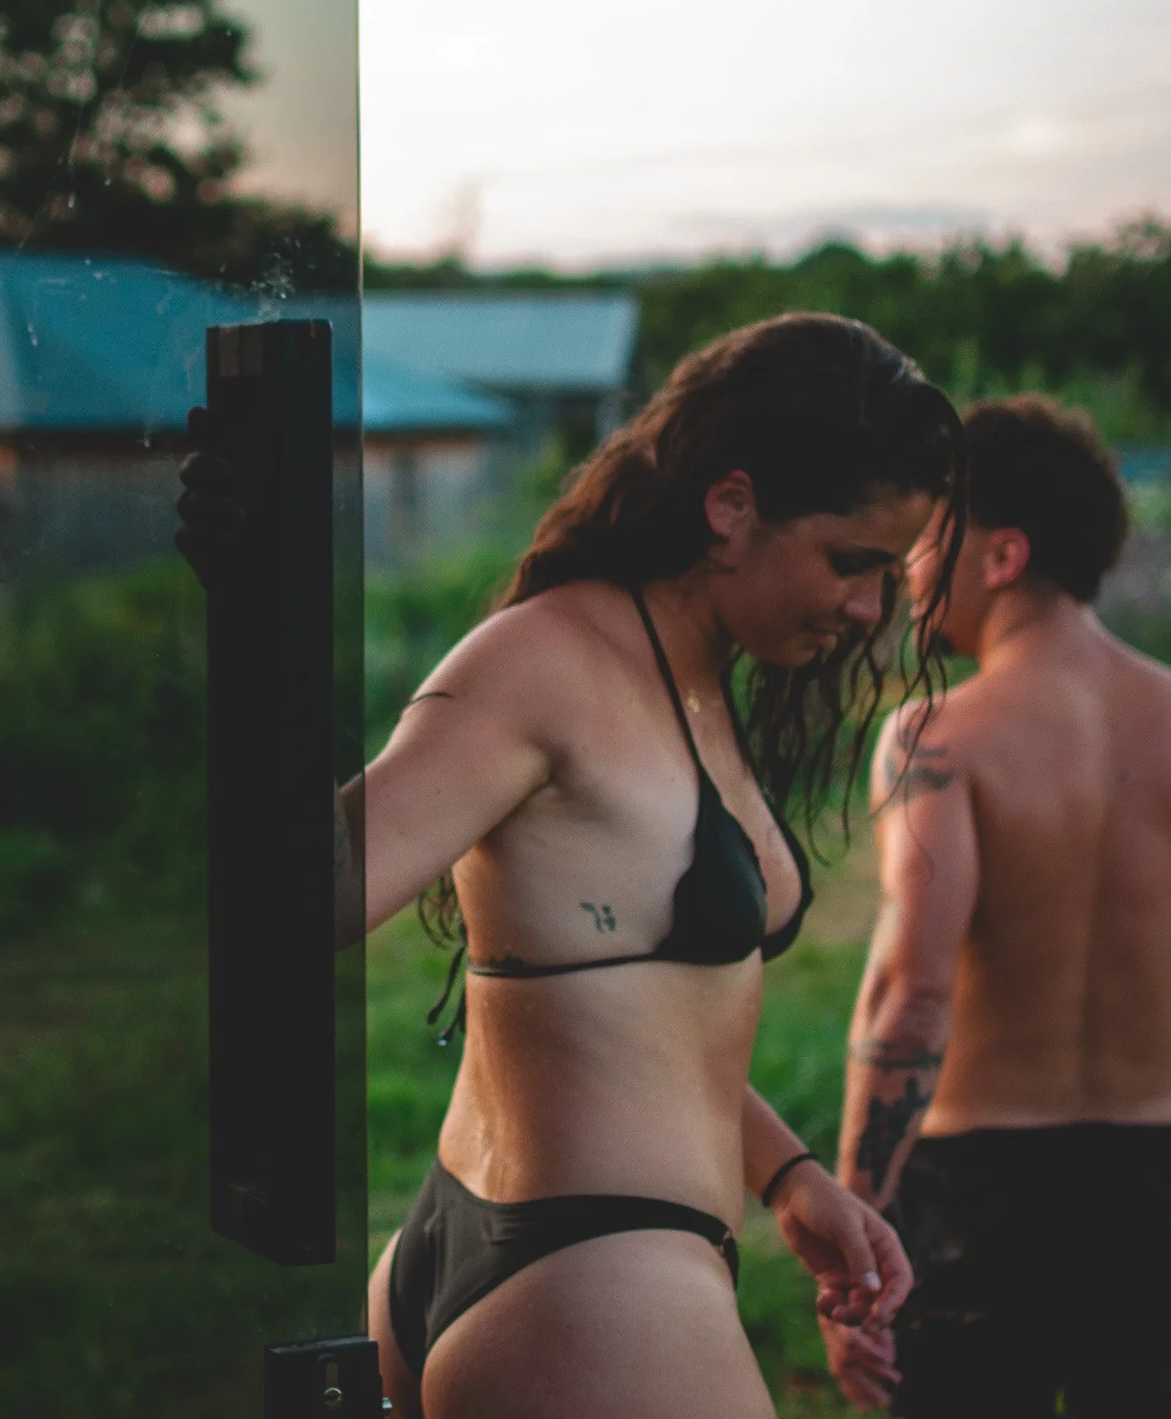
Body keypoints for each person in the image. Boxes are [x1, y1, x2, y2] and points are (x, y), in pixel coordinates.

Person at [180, 313, 964, 1419]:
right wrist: (262, 615)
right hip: (594, 1290)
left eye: (889, 576)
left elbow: (645, 1018)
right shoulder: (548, 660)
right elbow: (308, 894)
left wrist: (789, 1175)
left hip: (546, 1265)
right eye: (851, 562)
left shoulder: (691, 674)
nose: (869, 609)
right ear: (731, 507)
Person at [825, 394, 1171, 1416]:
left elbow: (911, 994)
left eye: (932, 543)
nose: (910, 574)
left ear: (1004, 554)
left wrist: (853, 1234)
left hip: (978, 1192)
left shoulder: (939, 738)